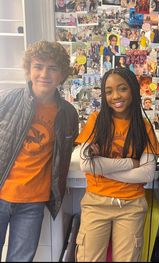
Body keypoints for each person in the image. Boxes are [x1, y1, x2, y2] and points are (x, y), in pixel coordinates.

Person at [0, 40, 78, 261]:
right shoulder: (7, 100)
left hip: (33, 203)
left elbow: (65, 153)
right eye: (38, 66)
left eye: (53, 68)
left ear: (62, 74)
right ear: (29, 69)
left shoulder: (68, 114)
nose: (44, 74)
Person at [74, 68, 159, 261]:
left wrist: (103, 168)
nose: (115, 96)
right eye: (109, 91)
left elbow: (147, 174)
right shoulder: (96, 120)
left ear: (133, 90)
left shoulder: (144, 126)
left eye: (122, 89)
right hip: (96, 202)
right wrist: (130, 163)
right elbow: (86, 164)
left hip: (131, 205)